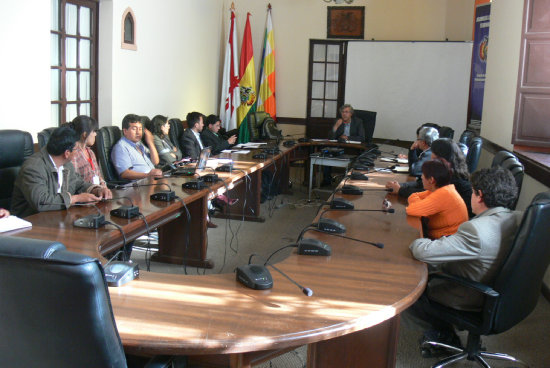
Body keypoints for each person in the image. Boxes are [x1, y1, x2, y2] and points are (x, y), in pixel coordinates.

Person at [404, 167, 521, 349]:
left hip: (470, 295)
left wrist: (416, 240)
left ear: (479, 195)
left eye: (472, 193)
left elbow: (421, 252)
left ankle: (444, 334)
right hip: (505, 296)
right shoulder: (520, 218)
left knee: (409, 288)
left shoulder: (477, 230)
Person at [11, 126, 112, 218]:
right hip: (32, 224)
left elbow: (78, 183)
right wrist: (75, 199)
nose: (78, 152)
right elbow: (41, 202)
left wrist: (97, 190)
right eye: (77, 149)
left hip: (57, 218)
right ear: (67, 153)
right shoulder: (33, 167)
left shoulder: (66, 163)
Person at [406, 159, 468, 239]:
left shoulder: (444, 194)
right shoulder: (441, 189)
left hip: (446, 242)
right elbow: (413, 196)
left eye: (423, 174)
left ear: (431, 180)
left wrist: (420, 205)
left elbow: (411, 209)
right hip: (439, 238)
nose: (421, 177)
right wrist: (420, 205)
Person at [385, 125, 439, 196]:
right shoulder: (430, 151)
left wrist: (400, 190)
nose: (416, 141)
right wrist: (401, 185)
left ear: (423, 142)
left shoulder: (430, 153)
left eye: (418, 139)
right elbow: (420, 182)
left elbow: (414, 171)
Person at [322, 104, 365, 186]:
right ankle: (326, 180)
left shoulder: (358, 122)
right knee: (327, 154)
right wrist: (336, 126)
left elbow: (362, 138)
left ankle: (351, 182)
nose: (344, 114)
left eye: (346, 112)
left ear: (351, 114)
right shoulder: (338, 121)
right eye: (342, 112)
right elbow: (331, 138)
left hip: (353, 149)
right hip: (339, 147)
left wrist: (347, 137)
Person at [111, 114, 163, 180]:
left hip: (152, 180)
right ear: (125, 131)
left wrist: (150, 143)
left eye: (140, 129)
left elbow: (155, 162)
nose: (138, 132)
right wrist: (148, 175)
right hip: (138, 185)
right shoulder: (121, 147)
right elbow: (125, 174)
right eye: (134, 129)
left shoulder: (139, 144)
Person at [431, 138, 473, 217]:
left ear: (442, 159)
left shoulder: (451, 179)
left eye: (433, 153)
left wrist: (401, 189)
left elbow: (428, 194)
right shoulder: (455, 171)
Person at [68, 115, 107, 187]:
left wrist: (103, 184)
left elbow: (98, 174)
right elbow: (74, 183)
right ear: (84, 134)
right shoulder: (73, 154)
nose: (95, 134)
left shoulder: (90, 152)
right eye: (93, 131)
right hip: (85, 194)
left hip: (98, 192)